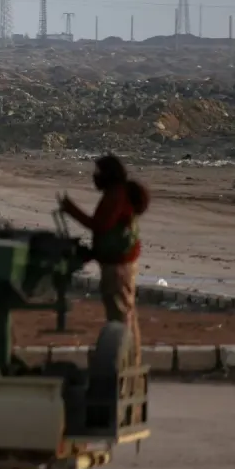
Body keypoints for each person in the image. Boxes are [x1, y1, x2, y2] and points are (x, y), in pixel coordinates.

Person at [59, 154, 150, 364]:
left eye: (98, 172)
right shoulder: (117, 193)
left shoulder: (115, 196)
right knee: (126, 313)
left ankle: (126, 362)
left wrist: (71, 209)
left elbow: (100, 225)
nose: (95, 176)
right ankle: (131, 360)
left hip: (118, 266)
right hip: (121, 263)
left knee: (120, 316)